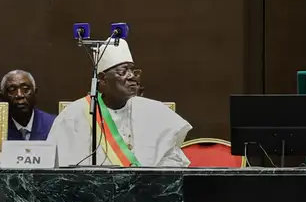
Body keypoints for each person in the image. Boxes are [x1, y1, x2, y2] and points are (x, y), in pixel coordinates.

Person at [48, 40, 192, 167]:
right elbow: (57, 165)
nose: (132, 76)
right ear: (102, 79)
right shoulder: (73, 115)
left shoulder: (155, 111)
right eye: (123, 71)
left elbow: (173, 160)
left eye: (133, 71)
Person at [1, 70, 56, 141]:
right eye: (12, 90)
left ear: (35, 92)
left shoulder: (53, 124)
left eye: (25, 89)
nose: (19, 95)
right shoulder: (1, 127)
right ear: (2, 96)